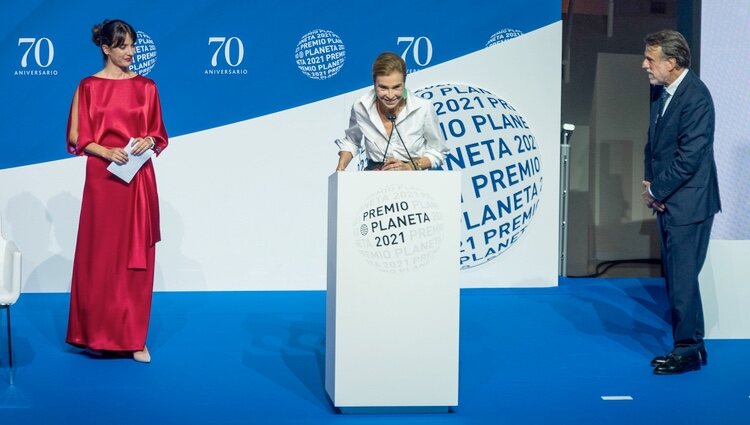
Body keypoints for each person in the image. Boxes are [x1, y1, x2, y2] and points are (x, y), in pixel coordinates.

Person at [66, 19, 168, 363]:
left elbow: (159, 132)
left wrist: (149, 139)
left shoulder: (147, 87)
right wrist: (106, 151)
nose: (130, 52)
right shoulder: (88, 87)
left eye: (132, 45)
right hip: (103, 179)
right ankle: (93, 332)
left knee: (134, 259)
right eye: (122, 46)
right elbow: (77, 138)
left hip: (137, 179)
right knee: (100, 258)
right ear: (105, 48)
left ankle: (135, 338)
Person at [641, 29, 721, 375]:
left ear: (671, 63)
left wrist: (657, 190)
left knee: (683, 279)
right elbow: (654, 145)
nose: (643, 65)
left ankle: (687, 349)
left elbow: (689, 158)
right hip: (670, 201)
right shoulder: (665, 93)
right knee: (677, 278)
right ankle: (694, 346)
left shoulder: (696, 97)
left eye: (650, 60)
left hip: (689, 204)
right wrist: (651, 186)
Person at [335, 52, 449, 171]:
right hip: (375, 177)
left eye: (396, 87)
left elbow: (438, 152)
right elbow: (352, 142)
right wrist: (341, 168)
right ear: (374, 84)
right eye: (383, 88)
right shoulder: (360, 106)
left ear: (404, 83)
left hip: (417, 177)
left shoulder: (423, 107)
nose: (390, 95)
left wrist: (411, 166)